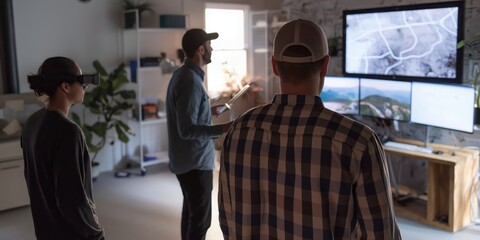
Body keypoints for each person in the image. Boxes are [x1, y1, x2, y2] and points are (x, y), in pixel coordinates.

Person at [218, 19, 402, 239]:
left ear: (274, 66)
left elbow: (228, 222)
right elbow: (381, 235)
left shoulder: (239, 131)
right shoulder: (358, 143)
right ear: (325, 65)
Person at [21, 56, 105, 240]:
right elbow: (72, 199)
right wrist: (95, 234)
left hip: (45, 231)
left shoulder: (32, 123)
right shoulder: (68, 132)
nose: (85, 86)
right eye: (81, 81)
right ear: (65, 86)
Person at [166, 29, 232, 240]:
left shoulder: (185, 75)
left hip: (188, 162)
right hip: (194, 164)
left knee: (192, 216)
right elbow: (186, 130)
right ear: (200, 50)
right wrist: (223, 128)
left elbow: (188, 113)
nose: (212, 49)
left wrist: (209, 109)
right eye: (209, 45)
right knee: (201, 222)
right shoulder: (190, 81)